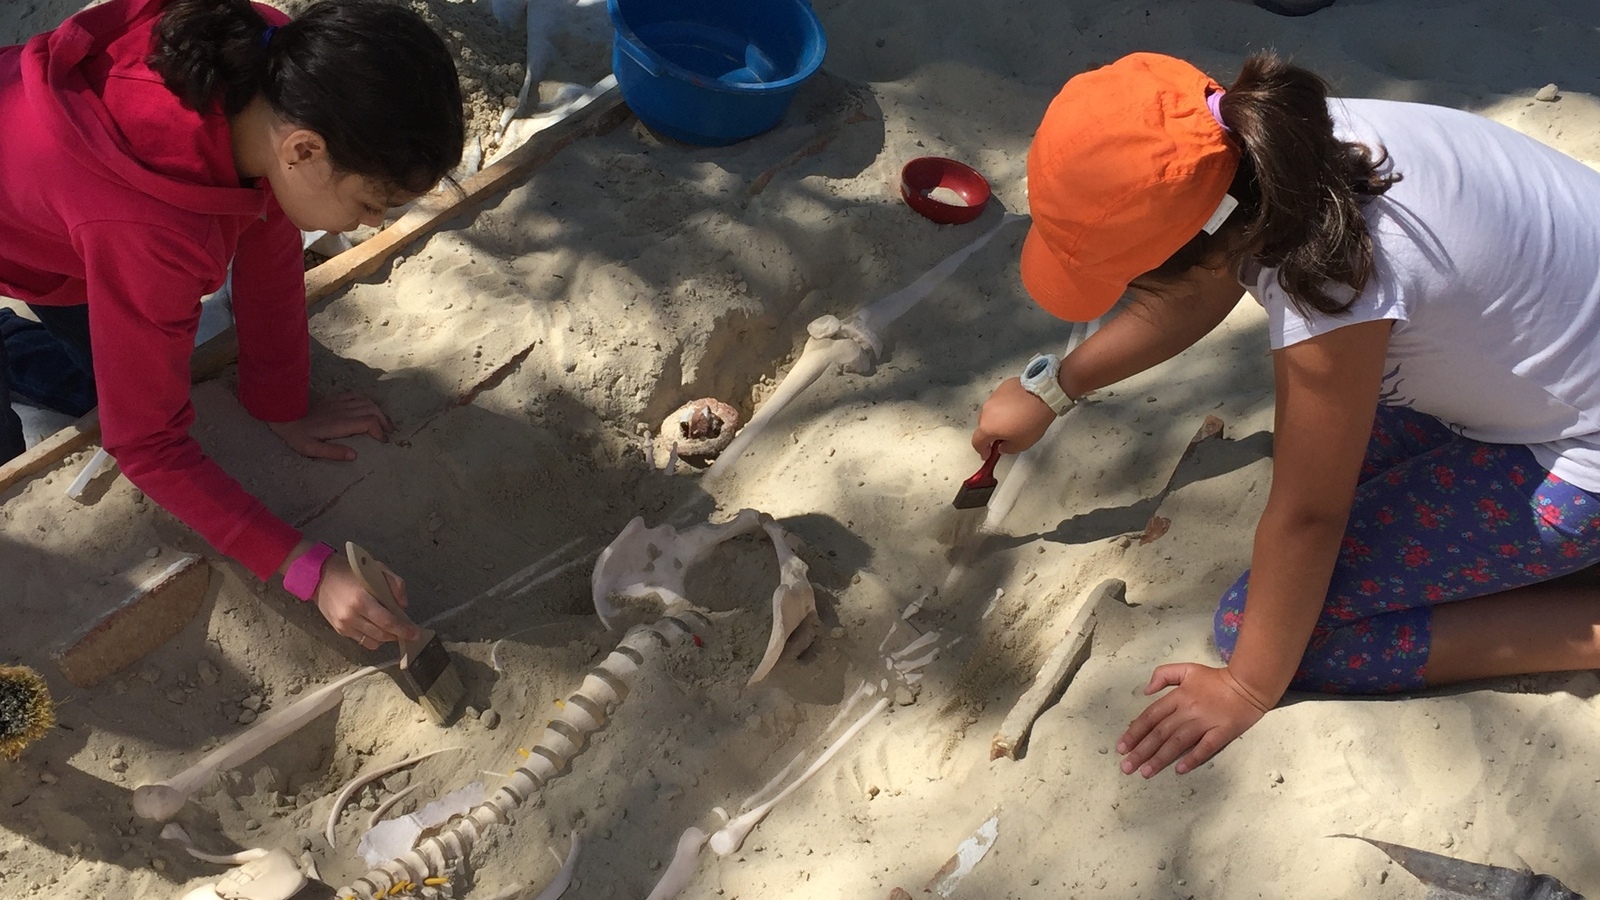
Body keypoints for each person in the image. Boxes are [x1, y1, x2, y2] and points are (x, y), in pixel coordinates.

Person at [972, 51, 1600, 779]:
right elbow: (1200, 285)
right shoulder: (1275, 149)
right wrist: (1055, 389)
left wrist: (1244, 688)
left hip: (1579, 453)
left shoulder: (1330, 277)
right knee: (1334, 495)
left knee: (1266, 632)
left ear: (1197, 247)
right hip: (1551, 368)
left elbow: (1310, 514)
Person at [0, 0, 465, 649]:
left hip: (48, 189)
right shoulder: (149, 236)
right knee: (73, 412)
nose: (368, 226)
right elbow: (146, 443)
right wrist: (308, 568)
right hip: (44, 229)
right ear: (303, 149)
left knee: (111, 368)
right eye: (369, 203)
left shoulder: (269, 57)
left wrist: (281, 400)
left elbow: (268, 229)